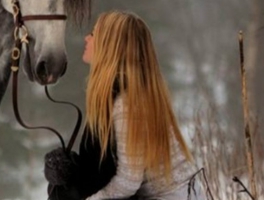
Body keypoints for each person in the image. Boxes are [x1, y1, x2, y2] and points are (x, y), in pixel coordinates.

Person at [44, 10, 203, 200]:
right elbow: (103, 167)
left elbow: (128, 182)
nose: (87, 38)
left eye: (94, 34)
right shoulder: (125, 95)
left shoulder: (127, 105)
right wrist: (70, 169)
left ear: (109, 46)